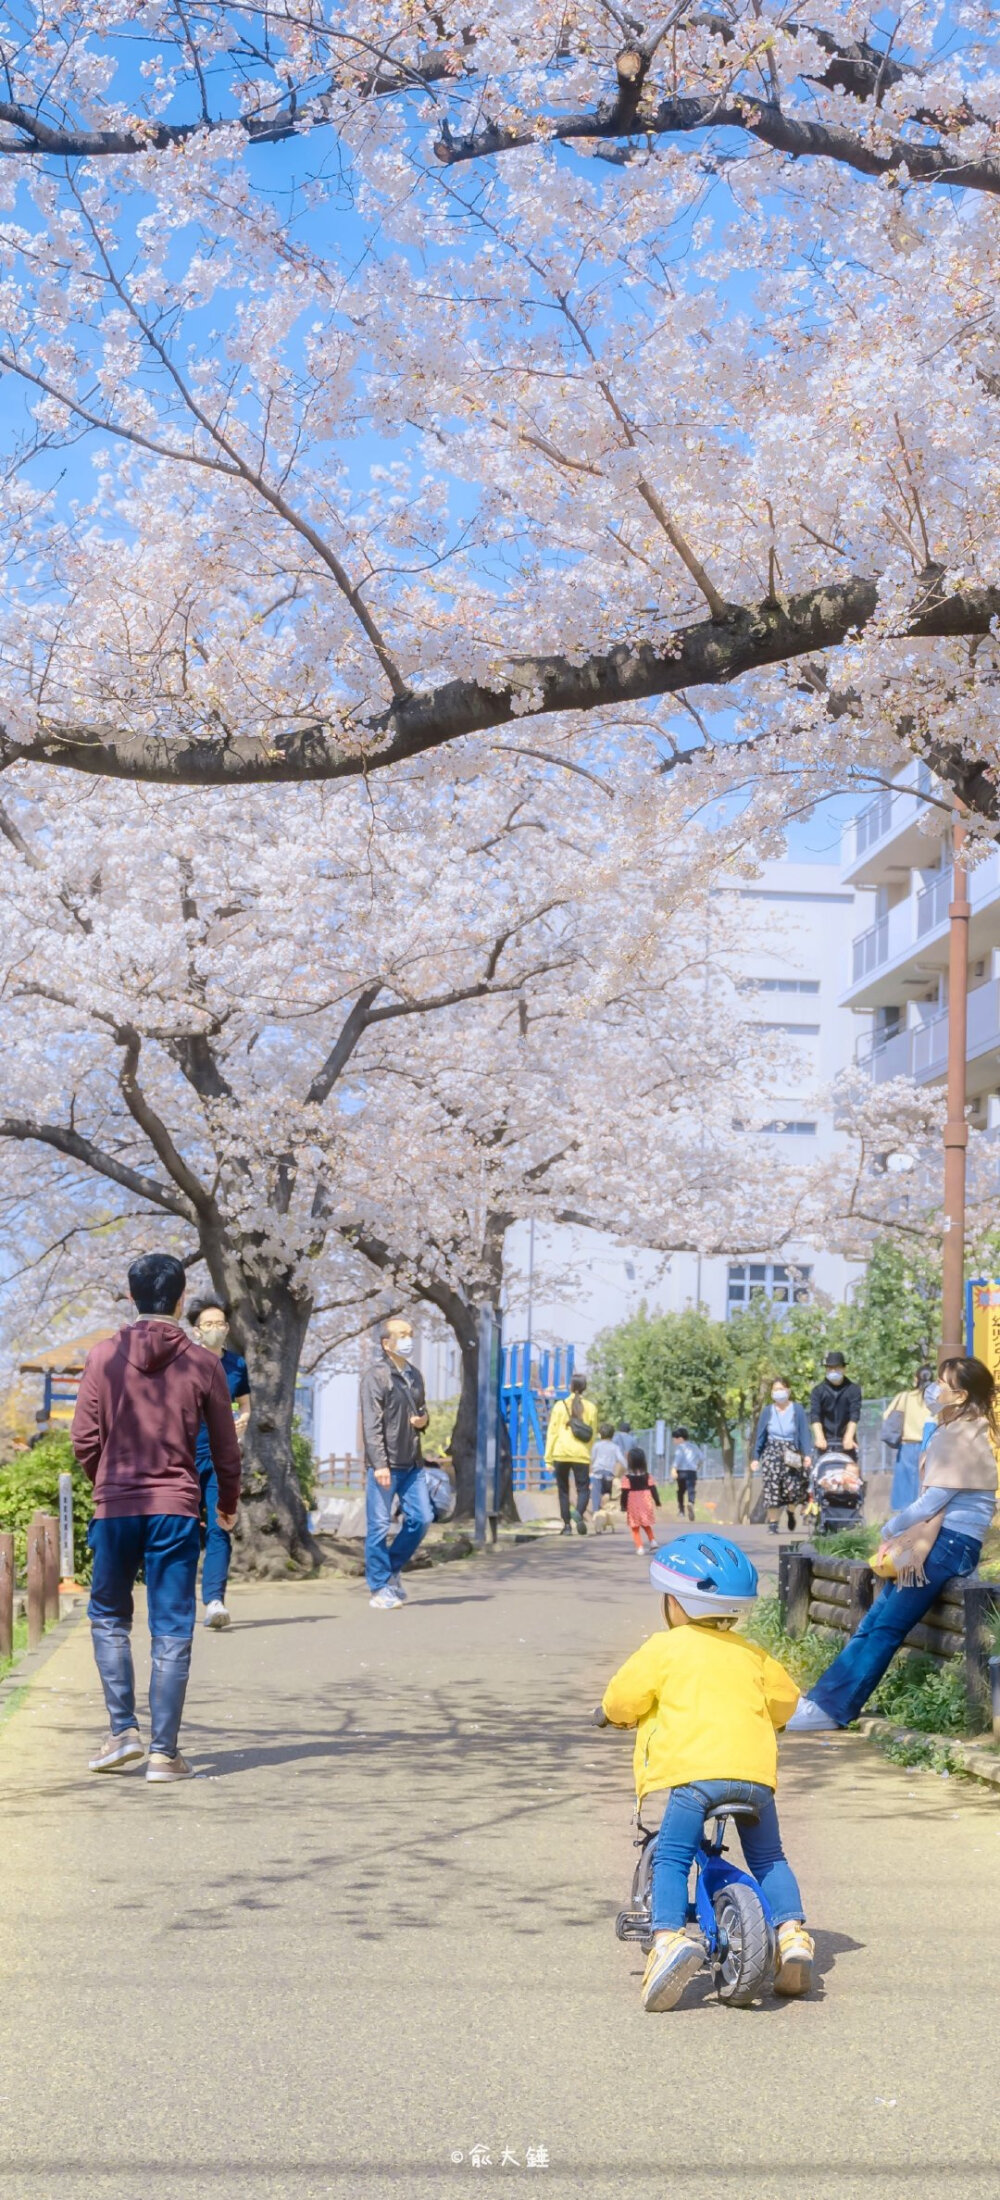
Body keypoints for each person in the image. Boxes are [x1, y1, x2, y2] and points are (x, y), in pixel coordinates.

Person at [600, 1532, 813, 2011]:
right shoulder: (753, 1654)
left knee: (672, 1858)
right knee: (770, 1858)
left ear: (674, 1604)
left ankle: (668, 1940)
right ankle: (792, 1934)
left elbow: (623, 1699)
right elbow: (785, 1703)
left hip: (696, 1782)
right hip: (755, 1780)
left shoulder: (664, 1648)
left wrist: (612, 1715)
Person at [72, 1252, 242, 1782]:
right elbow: (225, 1447)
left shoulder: (103, 1356)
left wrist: (108, 1483)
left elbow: (84, 1438)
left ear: (131, 1296)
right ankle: (164, 1754)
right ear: (181, 1297)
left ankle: (123, 1731)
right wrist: (226, 1503)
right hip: (176, 1508)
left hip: (116, 1507)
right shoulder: (204, 1362)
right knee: (171, 1626)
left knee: (108, 1617)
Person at [788, 1355, 999, 1733]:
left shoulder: (964, 1435)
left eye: (941, 1382)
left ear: (961, 1393)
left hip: (949, 1545)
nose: (932, 1389)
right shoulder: (955, 1428)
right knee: (874, 1623)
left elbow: (933, 1501)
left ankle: (833, 1709)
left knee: (885, 1628)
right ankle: (821, 1699)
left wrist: (890, 1531)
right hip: (941, 1542)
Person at [360, 1316, 432, 1610]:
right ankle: (379, 1587)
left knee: (422, 1518)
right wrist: (379, 1463)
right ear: (386, 1343)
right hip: (385, 1463)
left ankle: (391, 1571)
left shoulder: (415, 1374)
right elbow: (371, 1423)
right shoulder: (375, 1375)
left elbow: (421, 1411)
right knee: (378, 1526)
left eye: (410, 1333)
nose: (408, 1339)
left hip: (412, 1462)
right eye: (401, 1334)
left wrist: (424, 1420)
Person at [188, 1295, 250, 1630]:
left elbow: (246, 1405)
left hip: (221, 1456)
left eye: (220, 1323)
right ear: (196, 1330)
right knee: (181, 1529)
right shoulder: (184, 1363)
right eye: (208, 1324)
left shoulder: (236, 1365)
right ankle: (179, 1598)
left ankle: (214, 1601)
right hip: (185, 1455)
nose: (215, 1329)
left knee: (219, 1527)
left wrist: (242, 1420)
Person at [752, 1380, 813, 1534]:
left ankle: (791, 1512)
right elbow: (760, 1435)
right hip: (772, 1450)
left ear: (788, 1390)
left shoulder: (797, 1409)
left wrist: (807, 1455)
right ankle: (773, 1524)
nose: (778, 1392)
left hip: (792, 1450)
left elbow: (804, 1433)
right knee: (771, 1487)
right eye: (775, 1389)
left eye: (781, 1389)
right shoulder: (768, 1411)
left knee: (793, 1487)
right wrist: (755, 1457)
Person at [545, 1371, 598, 1536]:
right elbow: (592, 1434)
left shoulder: (559, 1406)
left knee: (563, 1490)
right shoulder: (591, 1407)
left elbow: (552, 1433)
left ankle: (567, 1526)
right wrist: (588, 1454)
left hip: (561, 1453)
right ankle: (579, 1513)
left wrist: (548, 1459)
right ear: (584, 1387)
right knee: (583, 1489)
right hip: (581, 1454)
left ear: (571, 1386)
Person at [883, 1365, 934, 1512]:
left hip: (907, 1446)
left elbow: (887, 1416)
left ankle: (903, 1523)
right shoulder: (935, 1399)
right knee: (925, 1487)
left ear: (916, 1379)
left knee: (904, 1490)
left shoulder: (905, 1397)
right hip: (929, 1447)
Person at [810, 1351, 862, 1463]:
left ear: (844, 1368)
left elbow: (854, 1415)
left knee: (850, 1476)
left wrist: (848, 1437)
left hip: (846, 1443)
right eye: (830, 1368)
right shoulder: (818, 1391)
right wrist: (819, 1437)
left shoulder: (853, 1390)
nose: (833, 1371)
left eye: (837, 1368)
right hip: (825, 1443)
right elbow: (815, 1415)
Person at [620, 1444, 661, 1552]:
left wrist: (623, 1506)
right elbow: (653, 1490)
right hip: (646, 1503)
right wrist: (657, 1502)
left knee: (635, 1527)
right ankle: (653, 1541)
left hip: (633, 1504)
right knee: (646, 1524)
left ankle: (640, 1547)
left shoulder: (627, 1478)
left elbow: (624, 1493)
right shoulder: (648, 1476)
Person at [589, 1423, 621, 1520]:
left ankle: (596, 1512)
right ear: (612, 1435)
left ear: (600, 1434)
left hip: (597, 1472)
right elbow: (620, 1459)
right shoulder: (615, 1447)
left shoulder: (596, 1445)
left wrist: (590, 1471)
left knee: (596, 1492)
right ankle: (604, 1510)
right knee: (607, 1492)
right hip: (609, 1473)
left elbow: (592, 1459)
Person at [670, 1429, 702, 1522]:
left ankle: (681, 1510)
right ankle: (691, 1502)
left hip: (681, 1472)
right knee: (691, 1489)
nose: (674, 1441)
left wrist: (674, 1469)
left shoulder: (680, 1448)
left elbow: (678, 1459)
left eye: (674, 1439)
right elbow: (702, 1458)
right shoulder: (694, 1447)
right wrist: (697, 1466)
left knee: (681, 1491)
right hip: (692, 1471)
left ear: (680, 1439)